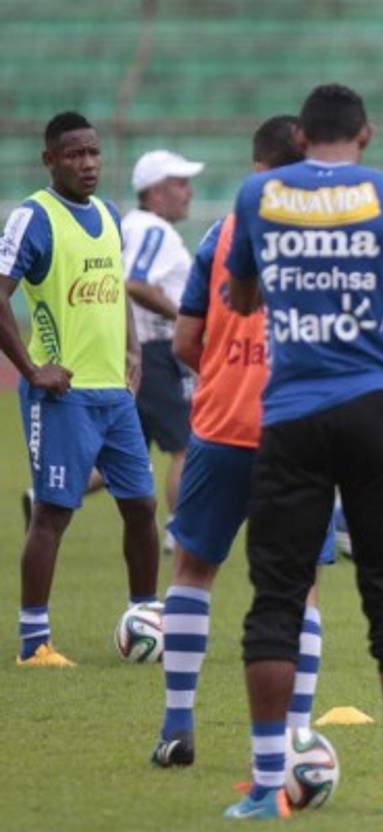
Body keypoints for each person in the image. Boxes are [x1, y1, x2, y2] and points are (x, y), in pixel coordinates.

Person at [221, 84, 383, 819]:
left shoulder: (258, 193)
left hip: (292, 416)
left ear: (302, 138)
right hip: (376, 411)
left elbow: (241, 297)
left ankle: (268, 785)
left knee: (276, 599)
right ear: (365, 135)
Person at [149, 116, 337, 768]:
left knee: (194, 570)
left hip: (223, 427)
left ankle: (177, 726)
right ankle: (298, 734)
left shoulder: (222, 232)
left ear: (255, 164)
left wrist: (233, 373)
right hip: (304, 431)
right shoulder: (330, 236)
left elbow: (183, 343)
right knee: (302, 583)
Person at [0, 111, 159, 667]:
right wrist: (31, 368)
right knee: (53, 514)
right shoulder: (33, 218)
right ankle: (34, 643)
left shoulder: (110, 215)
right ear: (50, 160)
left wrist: (133, 351)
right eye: (74, 154)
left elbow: (115, 291)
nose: (88, 163)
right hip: (61, 396)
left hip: (113, 396)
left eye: (93, 153)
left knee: (142, 505)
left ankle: (146, 618)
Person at [122, 149, 205, 554]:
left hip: (138, 347)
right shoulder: (155, 231)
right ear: (155, 192)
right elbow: (136, 283)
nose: (188, 193)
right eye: (180, 184)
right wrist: (186, 316)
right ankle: (179, 528)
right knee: (188, 443)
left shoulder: (132, 226)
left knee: (129, 447)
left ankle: (46, 495)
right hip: (154, 348)